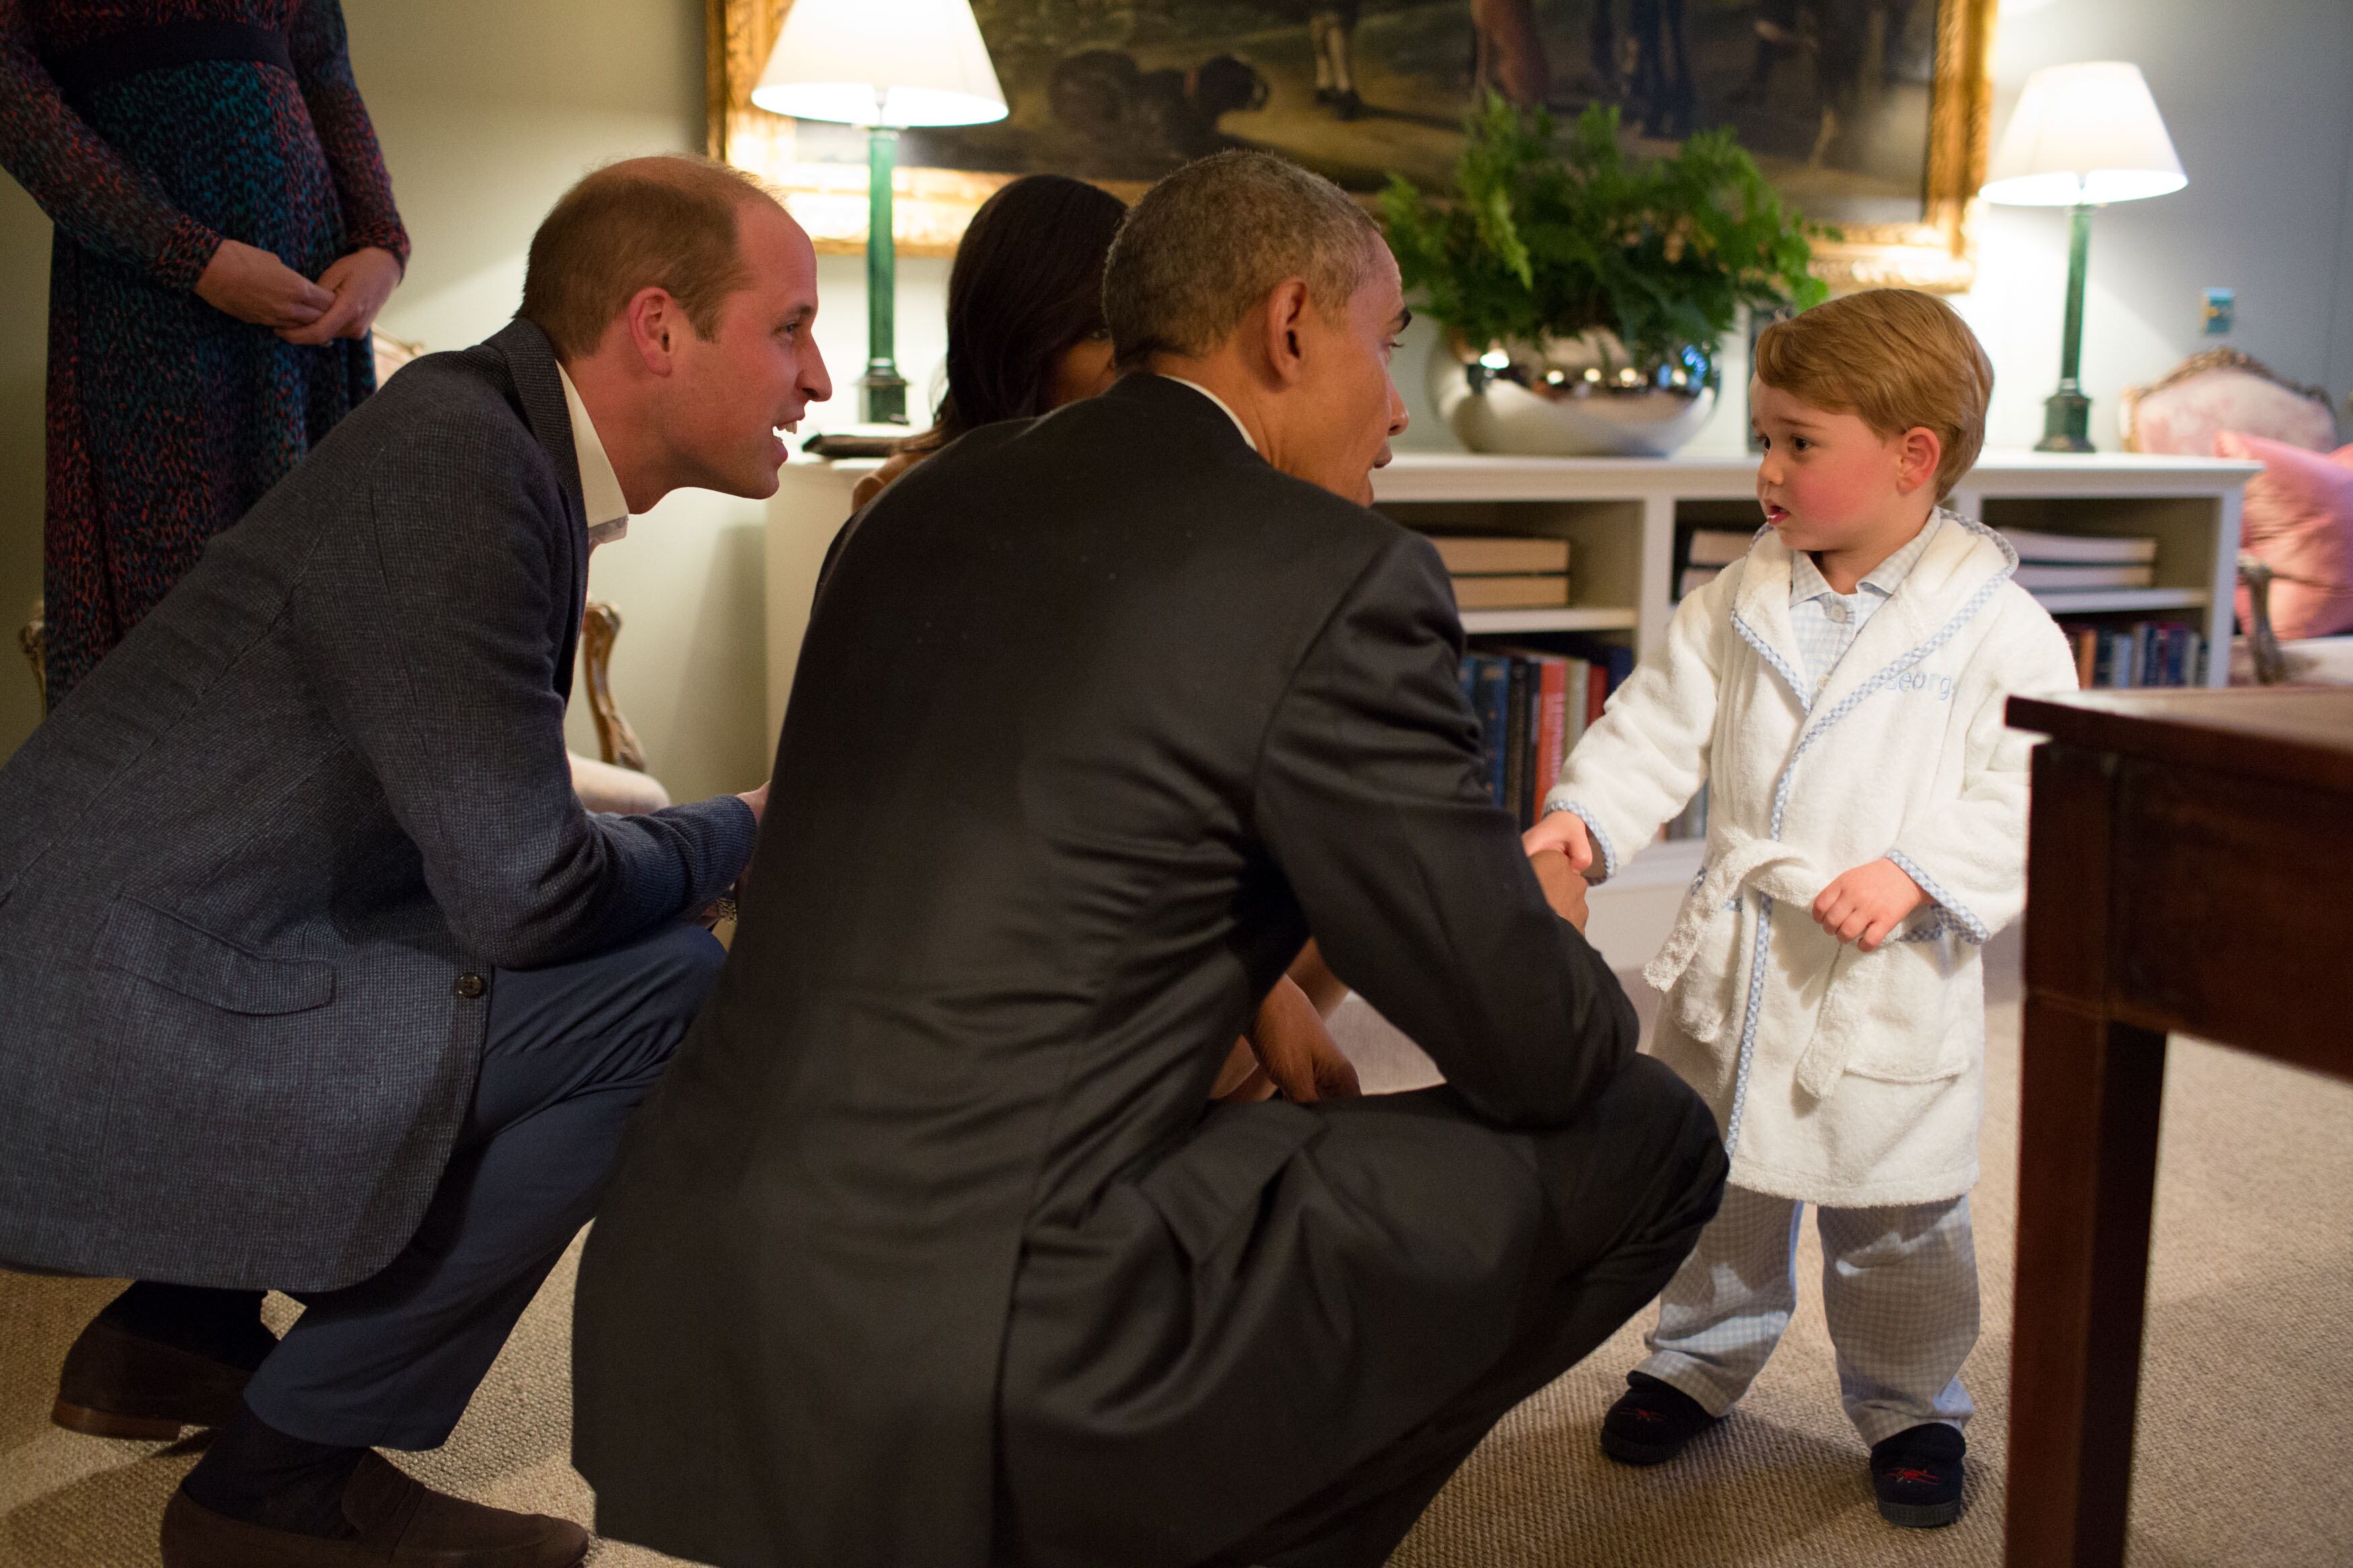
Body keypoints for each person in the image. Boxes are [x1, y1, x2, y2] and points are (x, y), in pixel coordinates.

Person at [571, 149, 1728, 1568]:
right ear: (1291, 324)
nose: (1395, 408)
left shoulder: (909, 508)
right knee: (1653, 1132)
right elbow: (1535, 1051)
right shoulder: (1334, 577)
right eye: (1388, 344)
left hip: (685, 1286)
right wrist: (1542, 919)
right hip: (995, 1338)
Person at [0, 154, 830, 1567]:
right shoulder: (466, 464)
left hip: (146, 946)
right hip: (97, 1008)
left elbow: (476, 831)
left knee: (548, 954)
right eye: (791, 326)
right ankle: (276, 1481)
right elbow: (529, 894)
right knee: (668, 991)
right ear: (656, 326)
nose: (813, 378)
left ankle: (173, 1335)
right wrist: (748, 823)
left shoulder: (482, 436)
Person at [1526, 288, 2079, 1528]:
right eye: (1762, 438)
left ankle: (1913, 1400)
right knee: (1723, 1184)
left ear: (1912, 456)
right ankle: (1697, 1357)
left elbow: (2030, 779)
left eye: (1798, 441)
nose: (1766, 470)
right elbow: (1657, 720)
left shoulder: (1998, 628)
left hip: (1887, 970)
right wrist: (1589, 818)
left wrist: (1924, 869)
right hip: (1748, 953)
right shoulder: (1740, 597)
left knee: (1898, 1214)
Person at [0, 0, 409, 704]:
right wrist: (187, 256)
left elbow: (325, 71)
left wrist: (381, 243)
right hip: (149, 293)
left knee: (322, 597)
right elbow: (10, 88)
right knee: (177, 612)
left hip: (307, 289)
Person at [851, 172, 1127, 510]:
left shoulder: (1152, 481)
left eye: (1138, 326)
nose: (1133, 356)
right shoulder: (903, 497)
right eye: (1101, 333)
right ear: (1020, 337)